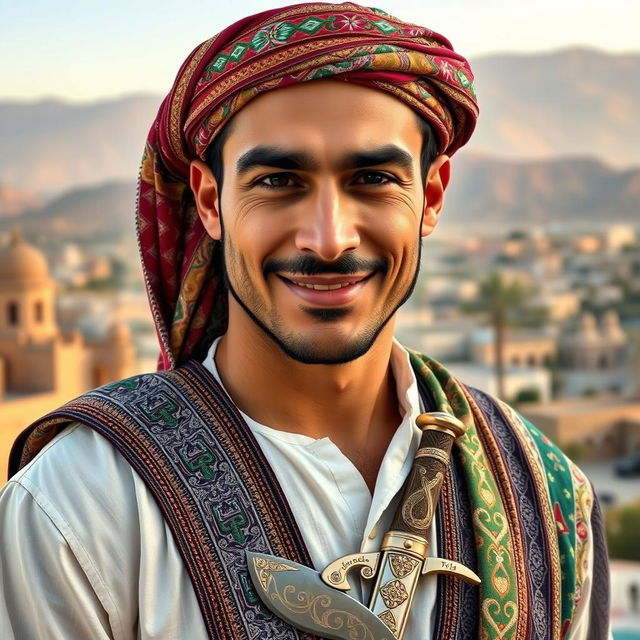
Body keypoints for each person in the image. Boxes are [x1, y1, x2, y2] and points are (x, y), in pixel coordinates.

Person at [0, 3, 610, 639]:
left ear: (430, 197)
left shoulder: (547, 501)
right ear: (212, 202)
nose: (327, 239)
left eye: (373, 178)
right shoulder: (82, 510)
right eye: (279, 180)